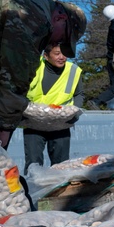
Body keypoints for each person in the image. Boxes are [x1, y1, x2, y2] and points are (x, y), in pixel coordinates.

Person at [0, 0, 86, 150]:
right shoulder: (37, 13)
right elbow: (15, 73)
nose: (56, 42)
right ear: (60, 17)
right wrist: (3, 127)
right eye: (62, 38)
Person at [23, 43, 84, 171]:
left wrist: (75, 114)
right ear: (46, 55)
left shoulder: (73, 71)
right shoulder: (33, 66)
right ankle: (35, 190)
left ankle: (60, 190)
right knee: (33, 164)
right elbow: (19, 89)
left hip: (60, 124)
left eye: (64, 53)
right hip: (34, 124)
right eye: (57, 54)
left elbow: (79, 94)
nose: (62, 57)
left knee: (61, 166)